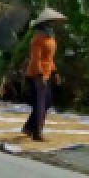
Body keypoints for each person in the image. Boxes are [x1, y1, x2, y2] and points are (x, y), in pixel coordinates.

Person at [22, 8, 66, 142]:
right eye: (51, 22)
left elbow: (50, 58)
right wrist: (40, 76)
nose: (53, 25)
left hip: (46, 73)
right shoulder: (38, 39)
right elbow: (36, 59)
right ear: (45, 23)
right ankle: (37, 132)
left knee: (46, 103)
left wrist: (55, 72)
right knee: (40, 104)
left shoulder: (50, 38)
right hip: (36, 74)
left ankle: (29, 127)